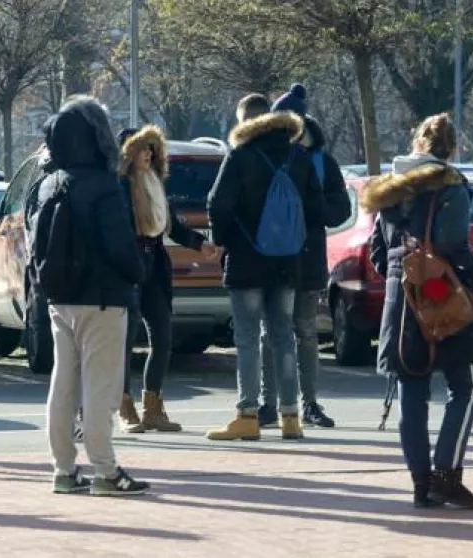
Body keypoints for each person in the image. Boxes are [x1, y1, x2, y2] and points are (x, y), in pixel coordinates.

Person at [361, 113, 473, 509]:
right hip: (443, 296)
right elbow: (455, 247)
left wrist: (404, 275)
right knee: (466, 387)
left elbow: (378, 255)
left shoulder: (391, 192)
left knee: (410, 391)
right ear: (451, 149)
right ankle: (445, 475)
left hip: (401, 305)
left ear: (417, 144)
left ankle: (420, 483)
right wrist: (470, 281)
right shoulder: (451, 188)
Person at [35, 95, 149, 496]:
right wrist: (138, 271)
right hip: (103, 298)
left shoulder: (48, 183)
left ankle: (64, 469)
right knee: (100, 388)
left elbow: (38, 247)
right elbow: (119, 245)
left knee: (62, 384)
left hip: (59, 298)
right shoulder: (102, 185)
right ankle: (105, 470)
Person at [205, 94, 324, 442]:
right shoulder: (299, 158)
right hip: (288, 262)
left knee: (246, 338)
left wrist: (224, 239)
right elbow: (318, 208)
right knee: (283, 335)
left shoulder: (241, 156)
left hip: (247, 259)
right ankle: (291, 416)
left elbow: (218, 202)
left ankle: (247, 413)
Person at [258, 84, 352, 429]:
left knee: (306, 331)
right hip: (275, 257)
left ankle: (309, 402)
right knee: (272, 332)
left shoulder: (321, 161)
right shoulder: (266, 155)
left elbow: (339, 208)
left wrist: (310, 209)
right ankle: (269, 402)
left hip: (308, 257)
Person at [116, 125, 219, 433]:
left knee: (162, 337)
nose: (147, 154)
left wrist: (201, 244)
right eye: (141, 148)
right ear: (128, 153)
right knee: (123, 340)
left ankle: (153, 407)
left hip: (155, 264)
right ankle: (125, 408)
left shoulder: (155, 184)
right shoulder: (120, 185)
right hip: (129, 265)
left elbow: (172, 226)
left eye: (151, 149)